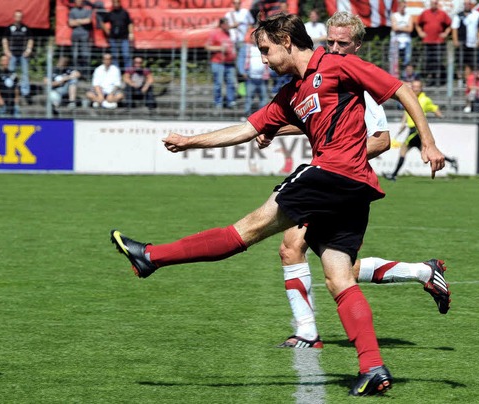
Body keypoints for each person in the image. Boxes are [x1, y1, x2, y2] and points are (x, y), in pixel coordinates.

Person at [111, 13, 446, 396]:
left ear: (287, 40)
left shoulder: (338, 65)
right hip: (354, 189)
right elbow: (248, 129)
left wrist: (429, 142)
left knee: (248, 228)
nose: (264, 60)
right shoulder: (291, 93)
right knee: (340, 277)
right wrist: (191, 141)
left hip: (332, 174)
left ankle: (152, 257)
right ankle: (373, 368)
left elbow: (400, 89)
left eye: (266, 50)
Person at [253, 12, 451, 351]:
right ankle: (422, 272)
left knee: (295, 248)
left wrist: (339, 160)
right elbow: (316, 116)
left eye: (342, 44)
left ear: (357, 45)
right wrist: (273, 127)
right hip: (328, 176)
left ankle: (307, 332)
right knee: (333, 264)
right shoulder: (323, 72)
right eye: (329, 42)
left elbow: (381, 139)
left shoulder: (358, 83)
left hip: (340, 181)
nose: (334, 48)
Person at [385, 79, 455, 181]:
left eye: (417, 87)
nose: (415, 88)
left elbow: (434, 108)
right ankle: (451, 161)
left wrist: (442, 116)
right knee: (429, 152)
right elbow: (407, 112)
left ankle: (393, 175)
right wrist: (403, 124)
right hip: (411, 130)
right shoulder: (409, 98)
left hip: (417, 131)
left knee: (403, 150)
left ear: (421, 88)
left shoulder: (425, 100)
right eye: (414, 86)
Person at [416, 0, 451, 86]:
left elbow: (450, 25)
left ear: (437, 4)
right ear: (430, 4)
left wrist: (445, 33)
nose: (434, 4)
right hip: (427, 42)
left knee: (438, 61)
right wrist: (420, 32)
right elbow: (417, 24)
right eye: (432, 3)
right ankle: (430, 79)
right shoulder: (425, 13)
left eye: (435, 3)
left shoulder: (442, 14)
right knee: (428, 61)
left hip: (438, 42)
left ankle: (437, 79)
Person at [205, 18, 237, 111]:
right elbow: (207, 46)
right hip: (218, 62)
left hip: (229, 62)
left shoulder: (230, 33)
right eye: (226, 24)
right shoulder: (215, 33)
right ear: (222, 25)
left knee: (231, 83)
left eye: (228, 24)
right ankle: (218, 103)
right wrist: (219, 48)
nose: (228, 26)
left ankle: (230, 102)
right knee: (218, 83)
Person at [2, 10, 34, 103]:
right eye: (17, 16)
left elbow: (30, 39)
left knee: (25, 74)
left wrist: (28, 50)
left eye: (20, 16)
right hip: (12, 54)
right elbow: (5, 39)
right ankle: (11, 91)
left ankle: (25, 92)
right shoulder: (10, 28)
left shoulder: (25, 28)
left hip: (23, 55)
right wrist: (6, 51)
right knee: (11, 74)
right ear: (14, 17)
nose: (18, 18)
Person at [238, 32, 270, 115]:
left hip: (263, 78)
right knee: (249, 97)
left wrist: (270, 72)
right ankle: (246, 114)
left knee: (264, 98)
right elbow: (240, 60)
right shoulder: (246, 48)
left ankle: (261, 115)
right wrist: (242, 72)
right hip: (250, 77)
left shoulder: (265, 48)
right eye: (254, 38)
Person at [452, 0, 479, 82]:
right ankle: (461, 81)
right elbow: (454, 28)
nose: (467, 5)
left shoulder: (476, 14)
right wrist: (455, 40)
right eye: (465, 4)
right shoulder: (458, 15)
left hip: (473, 43)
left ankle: (470, 81)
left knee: (472, 63)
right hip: (462, 42)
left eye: (468, 4)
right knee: (461, 62)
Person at [99, 0, 133, 69]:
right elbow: (102, 22)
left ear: (119, 3)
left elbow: (130, 23)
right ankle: (116, 72)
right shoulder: (111, 13)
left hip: (124, 37)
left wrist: (131, 33)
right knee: (114, 56)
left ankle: (128, 72)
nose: (115, 4)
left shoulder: (124, 13)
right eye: (114, 3)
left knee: (126, 55)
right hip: (113, 38)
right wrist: (107, 31)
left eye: (117, 2)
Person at [68, 0, 94, 80]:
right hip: (75, 35)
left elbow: (88, 21)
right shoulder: (72, 11)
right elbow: (70, 23)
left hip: (84, 35)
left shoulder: (87, 10)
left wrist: (77, 21)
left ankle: (85, 74)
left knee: (85, 54)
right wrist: (82, 21)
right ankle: (75, 74)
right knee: (75, 55)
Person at [389, 0, 413, 76]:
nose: (403, 8)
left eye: (404, 7)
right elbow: (394, 28)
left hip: (406, 41)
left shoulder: (409, 16)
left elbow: (410, 29)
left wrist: (399, 27)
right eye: (401, 6)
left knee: (407, 60)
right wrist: (405, 27)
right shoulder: (394, 16)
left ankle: (405, 76)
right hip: (396, 41)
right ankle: (395, 76)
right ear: (398, 7)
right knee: (395, 60)